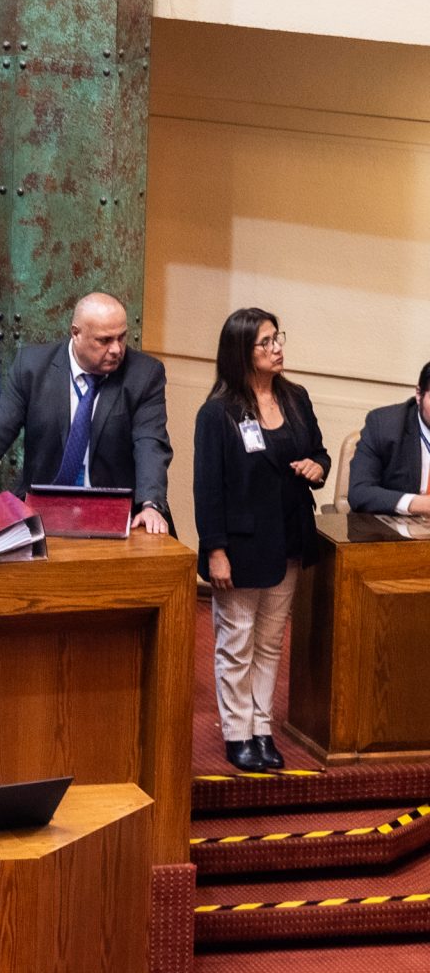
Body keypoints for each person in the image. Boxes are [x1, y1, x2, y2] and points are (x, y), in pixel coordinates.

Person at [193, 308, 329, 772]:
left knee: (270, 642)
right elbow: (208, 487)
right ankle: (237, 733)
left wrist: (317, 468)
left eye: (277, 338)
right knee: (236, 643)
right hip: (240, 546)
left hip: (289, 537)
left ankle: (261, 729)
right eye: (265, 342)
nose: (277, 348)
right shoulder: (218, 413)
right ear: (242, 352)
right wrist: (215, 550)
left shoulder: (295, 398)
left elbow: (319, 452)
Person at [0, 292, 172, 532]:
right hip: (42, 510)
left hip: (116, 513)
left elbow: (150, 443)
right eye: (104, 340)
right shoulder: (31, 367)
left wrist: (151, 504)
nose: (116, 349)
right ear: (76, 333)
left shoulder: (144, 375)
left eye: (121, 337)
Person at [345, 361, 430, 518]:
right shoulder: (384, 425)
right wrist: (418, 504)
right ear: (419, 395)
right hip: (395, 528)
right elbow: (359, 492)